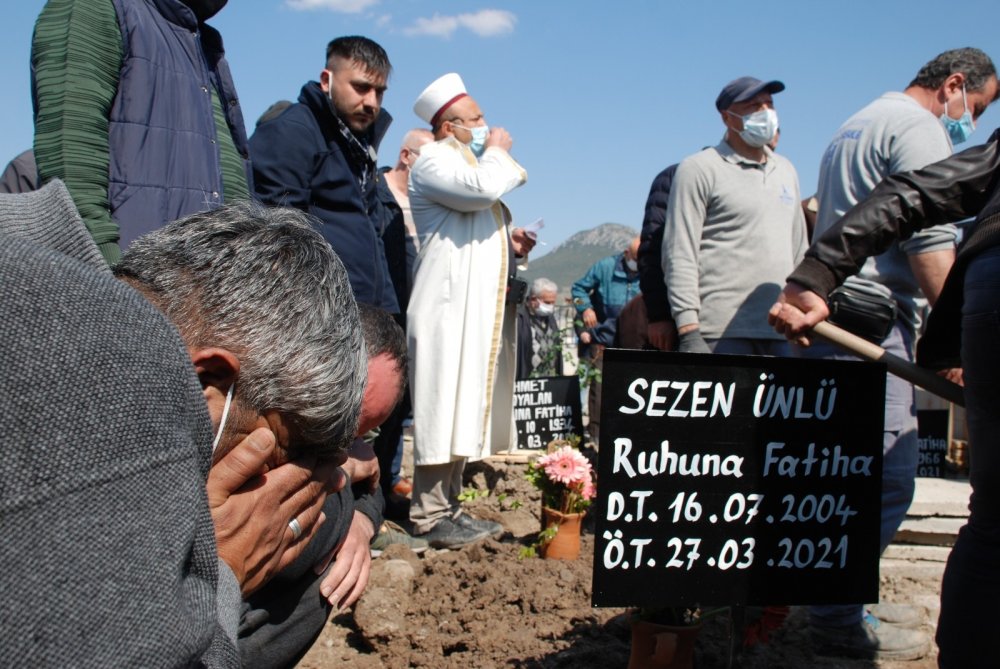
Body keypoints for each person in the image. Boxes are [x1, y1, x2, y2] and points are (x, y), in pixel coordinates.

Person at [0, 185, 338, 667]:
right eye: (263, 469)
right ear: (207, 386)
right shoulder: (66, 401)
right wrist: (222, 571)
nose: (262, 506)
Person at [768, 128, 1000, 669]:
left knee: (992, 519)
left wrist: (817, 271)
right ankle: (837, 617)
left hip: (991, 284)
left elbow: (910, 194)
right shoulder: (912, 128)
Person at [407, 72, 532, 549]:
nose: (486, 125)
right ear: (448, 125)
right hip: (444, 307)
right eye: (476, 118)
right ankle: (429, 514)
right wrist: (498, 149)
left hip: (468, 308)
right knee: (442, 404)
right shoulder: (432, 160)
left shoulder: (458, 162)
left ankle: (447, 507)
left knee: (460, 404)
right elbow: (481, 189)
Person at [30, 0, 250, 265]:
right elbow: (71, 160)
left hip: (195, 288)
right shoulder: (95, 7)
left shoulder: (202, 44)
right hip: (129, 285)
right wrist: (109, 278)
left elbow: (231, 190)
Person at [251, 35, 398, 313]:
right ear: (326, 80)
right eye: (361, 87)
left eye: (379, 91)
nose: (372, 102)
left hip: (363, 313)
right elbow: (275, 232)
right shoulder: (294, 131)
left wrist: (387, 315)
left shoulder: (360, 146)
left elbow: (373, 238)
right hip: (316, 314)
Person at [663, 76, 807, 356]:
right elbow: (679, 252)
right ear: (727, 117)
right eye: (754, 105)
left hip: (779, 330)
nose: (765, 113)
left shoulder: (787, 170)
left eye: (769, 104)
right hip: (720, 332)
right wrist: (688, 328)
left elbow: (799, 249)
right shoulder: (699, 169)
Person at [373, 129, 434, 512]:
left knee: (401, 405)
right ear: (407, 157)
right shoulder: (376, 196)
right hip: (382, 312)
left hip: (416, 318)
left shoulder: (430, 206)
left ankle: (389, 482)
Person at [571, 236, 641, 444]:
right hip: (603, 338)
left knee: (632, 388)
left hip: (635, 340)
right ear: (627, 254)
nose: (639, 263)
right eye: (636, 258)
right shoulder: (604, 267)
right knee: (599, 389)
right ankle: (597, 436)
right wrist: (585, 308)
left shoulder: (649, 269)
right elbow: (578, 289)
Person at [516, 277, 564, 379]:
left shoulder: (550, 318)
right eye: (547, 302)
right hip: (527, 381)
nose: (551, 306)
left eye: (553, 302)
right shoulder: (519, 319)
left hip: (548, 381)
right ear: (533, 299)